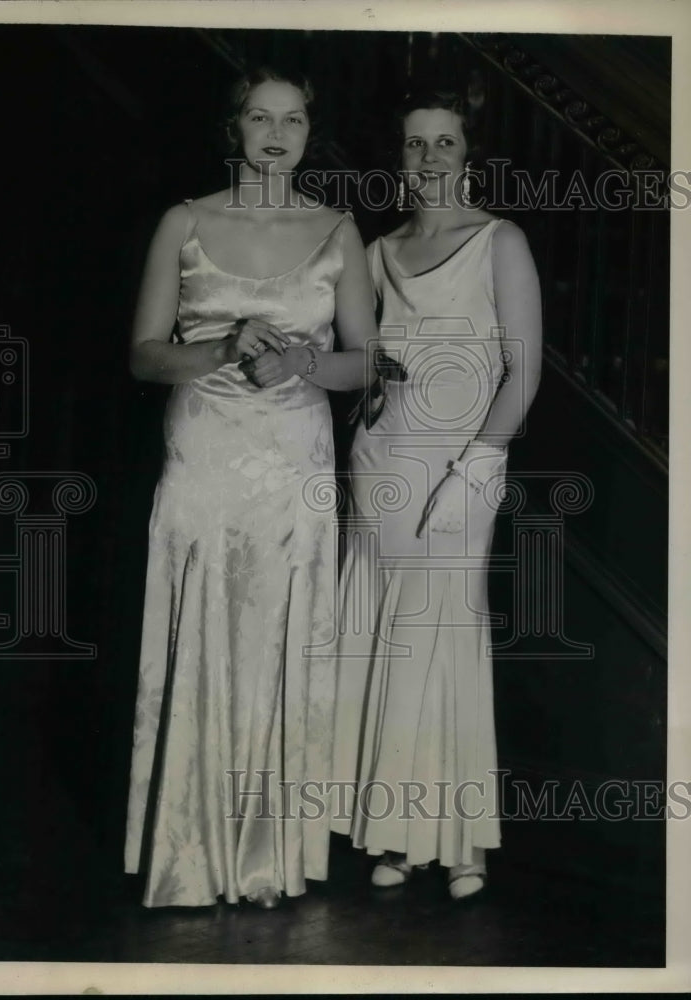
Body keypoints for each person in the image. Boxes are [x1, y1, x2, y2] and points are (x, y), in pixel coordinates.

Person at [124, 66, 377, 910]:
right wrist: (226, 346)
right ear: (234, 128)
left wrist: (303, 360)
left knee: (282, 636)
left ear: (310, 132)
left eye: (295, 120)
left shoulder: (340, 228)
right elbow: (144, 354)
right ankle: (188, 855)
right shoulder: (185, 222)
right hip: (205, 446)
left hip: (296, 455)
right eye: (261, 118)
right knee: (202, 629)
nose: (277, 134)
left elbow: (368, 363)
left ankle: (269, 857)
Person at [331, 87, 542, 899]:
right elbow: (374, 361)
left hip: (462, 467)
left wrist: (477, 467)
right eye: (415, 144)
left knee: (444, 634)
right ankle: (396, 833)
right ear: (401, 156)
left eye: (444, 143)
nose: (429, 159)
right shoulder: (379, 250)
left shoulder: (501, 240)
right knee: (388, 636)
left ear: (468, 153)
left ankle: (461, 845)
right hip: (381, 462)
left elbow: (525, 372)